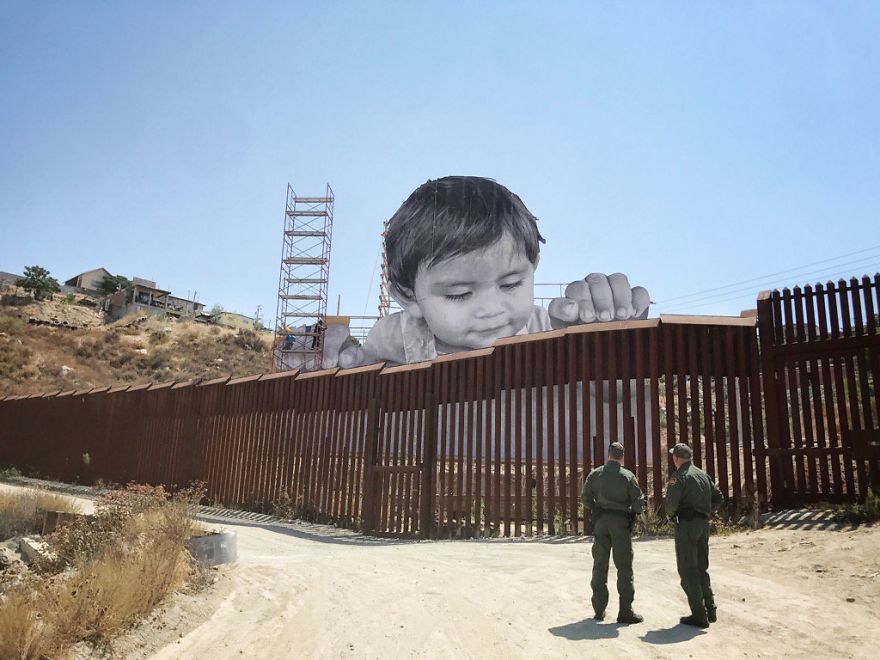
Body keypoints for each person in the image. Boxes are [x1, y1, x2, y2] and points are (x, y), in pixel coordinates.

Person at [335, 176, 651, 368]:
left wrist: (605, 346)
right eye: (459, 294)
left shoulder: (547, 331)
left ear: (532, 268)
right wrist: (340, 364)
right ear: (408, 296)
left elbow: (610, 396)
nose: (491, 309)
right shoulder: (393, 339)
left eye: (511, 284)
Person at [580, 441, 645, 624]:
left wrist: (596, 508)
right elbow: (638, 503)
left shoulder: (595, 474)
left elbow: (585, 498)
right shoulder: (628, 476)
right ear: (622, 457)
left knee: (600, 565)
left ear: (608, 454)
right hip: (620, 524)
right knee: (624, 567)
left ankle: (599, 610)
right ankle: (625, 611)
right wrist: (633, 513)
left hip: (601, 522)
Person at [664, 443, 724, 628]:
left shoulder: (679, 476)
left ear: (677, 458)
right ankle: (710, 610)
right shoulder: (702, 474)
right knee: (701, 567)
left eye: (673, 456)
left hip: (687, 525)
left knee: (687, 569)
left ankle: (699, 615)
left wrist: (670, 516)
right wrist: (707, 513)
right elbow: (719, 497)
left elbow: (671, 504)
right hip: (703, 524)